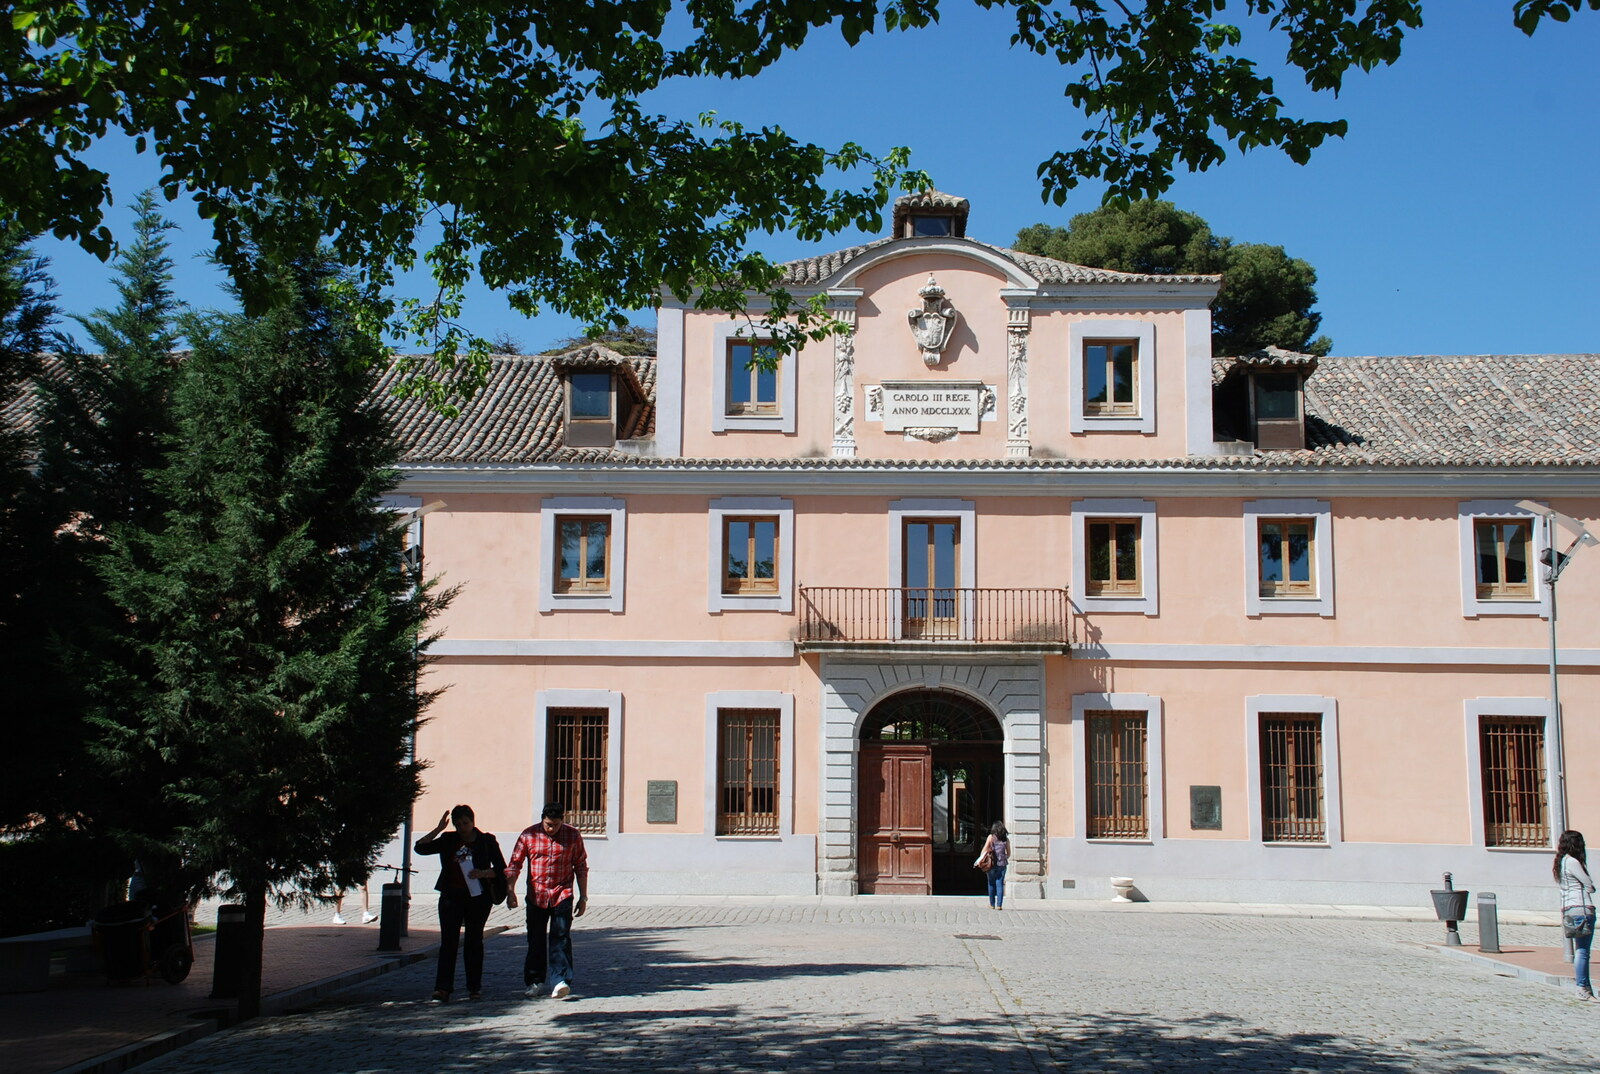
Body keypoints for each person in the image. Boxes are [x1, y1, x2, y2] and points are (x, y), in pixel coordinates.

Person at [415, 803, 507, 1002]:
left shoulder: (486, 841)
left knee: (474, 941)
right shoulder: (448, 840)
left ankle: (474, 987)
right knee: (449, 942)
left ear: (473, 822)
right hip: (451, 896)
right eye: (458, 824)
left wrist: (482, 873)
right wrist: (439, 828)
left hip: (478, 898)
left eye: (465, 823)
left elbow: (502, 869)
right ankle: (443, 987)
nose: (462, 828)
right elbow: (420, 848)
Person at [505, 801, 589, 1000]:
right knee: (535, 939)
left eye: (556, 825)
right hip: (537, 895)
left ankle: (560, 980)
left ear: (562, 821)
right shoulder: (528, 835)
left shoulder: (572, 835)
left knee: (561, 937)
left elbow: (581, 866)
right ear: (542, 819)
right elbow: (514, 864)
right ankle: (535, 980)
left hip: (562, 894)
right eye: (548, 824)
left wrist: (583, 896)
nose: (551, 829)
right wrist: (510, 891)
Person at [1555, 829, 1597, 999]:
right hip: (1582, 907)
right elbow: (1588, 884)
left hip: (1568, 909)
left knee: (1580, 949)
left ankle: (1585, 986)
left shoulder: (1561, 862)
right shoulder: (1572, 861)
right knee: (1583, 951)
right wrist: (1590, 887)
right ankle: (1582, 987)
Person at [978, 821, 1010, 911]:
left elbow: (984, 849)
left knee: (991, 883)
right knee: (1000, 884)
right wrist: (1003, 858)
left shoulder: (991, 837)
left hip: (991, 864)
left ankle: (992, 904)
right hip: (1002, 865)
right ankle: (999, 905)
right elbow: (1009, 853)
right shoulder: (1006, 839)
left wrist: (981, 859)